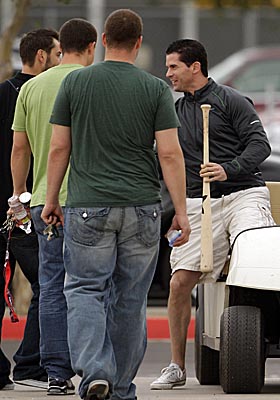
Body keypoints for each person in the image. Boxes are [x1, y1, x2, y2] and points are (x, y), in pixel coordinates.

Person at [41, 8, 191, 400]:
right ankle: (121, 387)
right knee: (130, 298)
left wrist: (52, 198)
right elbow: (170, 154)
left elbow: (59, 147)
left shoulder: (75, 84)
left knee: (85, 290)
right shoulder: (156, 88)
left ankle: (95, 373)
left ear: (103, 40)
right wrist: (182, 210)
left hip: (88, 205)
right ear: (139, 43)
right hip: (142, 206)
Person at [150, 38, 275, 390]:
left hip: (243, 194)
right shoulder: (174, 111)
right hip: (198, 202)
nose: (168, 73)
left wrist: (228, 169)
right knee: (179, 282)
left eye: (173, 66)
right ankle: (176, 366)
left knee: (253, 262)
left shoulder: (231, 100)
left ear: (195, 67)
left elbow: (260, 146)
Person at [11, 18, 97, 395]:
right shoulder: (95, 83)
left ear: (60, 51)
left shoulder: (31, 88)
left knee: (51, 287)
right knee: (93, 286)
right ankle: (93, 366)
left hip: (45, 201)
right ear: (92, 48)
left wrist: (19, 195)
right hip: (90, 199)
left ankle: (56, 373)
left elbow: (20, 148)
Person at [0, 28, 61, 391]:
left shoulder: (6, 92)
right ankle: (29, 362)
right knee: (48, 284)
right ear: (41, 56)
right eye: (56, 54)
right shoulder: (44, 93)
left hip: (9, 204)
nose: (59, 60)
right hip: (27, 204)